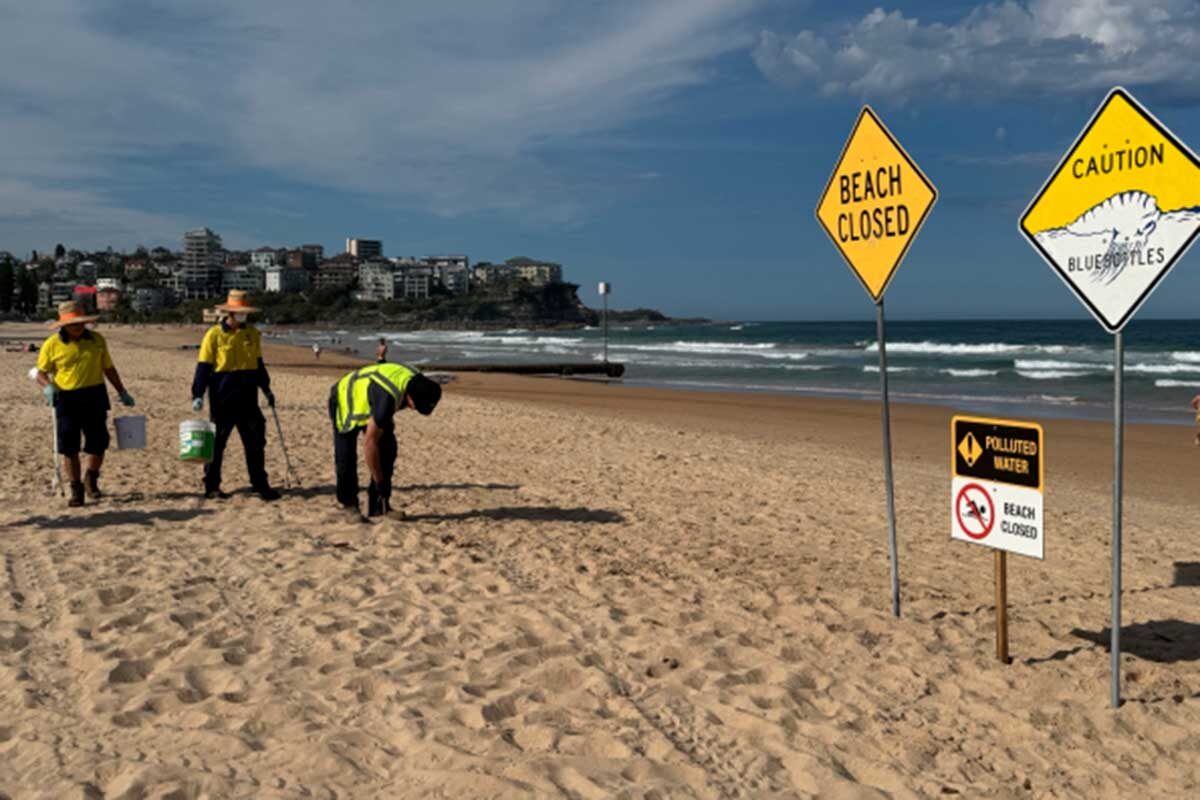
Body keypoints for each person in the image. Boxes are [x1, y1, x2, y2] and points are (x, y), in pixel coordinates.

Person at [36, 301, 135, 507]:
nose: (78, 327)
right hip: (66, 398)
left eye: (81, 323)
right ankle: (76, 489)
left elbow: (108, 368)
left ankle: (91, 478)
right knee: (69, 447)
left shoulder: (97, 340)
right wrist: (48, 387)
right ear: (64, 325)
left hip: (94, 395)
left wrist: (122, 391)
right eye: (73, 324)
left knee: (98, 443)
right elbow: (41, 372)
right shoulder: (52, 344)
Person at [190, 290, 281, 501]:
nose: (243, 316)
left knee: (256, 442)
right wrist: (197, 394)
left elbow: (258, 365)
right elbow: (203, 367)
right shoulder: (214, 335)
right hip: (223, 397)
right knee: (218, 444)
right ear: (229, 313)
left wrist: (266, 389)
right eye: (239, 312)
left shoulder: (252, 333)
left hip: (248, 396)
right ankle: (212, 486)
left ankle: (260, 484)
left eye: (245, 312)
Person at [329, 363, 441, 518]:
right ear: (409, 396)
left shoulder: (416, 381)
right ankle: (349, 505)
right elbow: (370, 444)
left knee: (388, 449)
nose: (413, 409)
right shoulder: (387, 398)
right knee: (346, 456)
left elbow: (388, 411)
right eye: (414, 406)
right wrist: (379, 481)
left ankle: (379, 507)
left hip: (372, 399)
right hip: (345, 399)